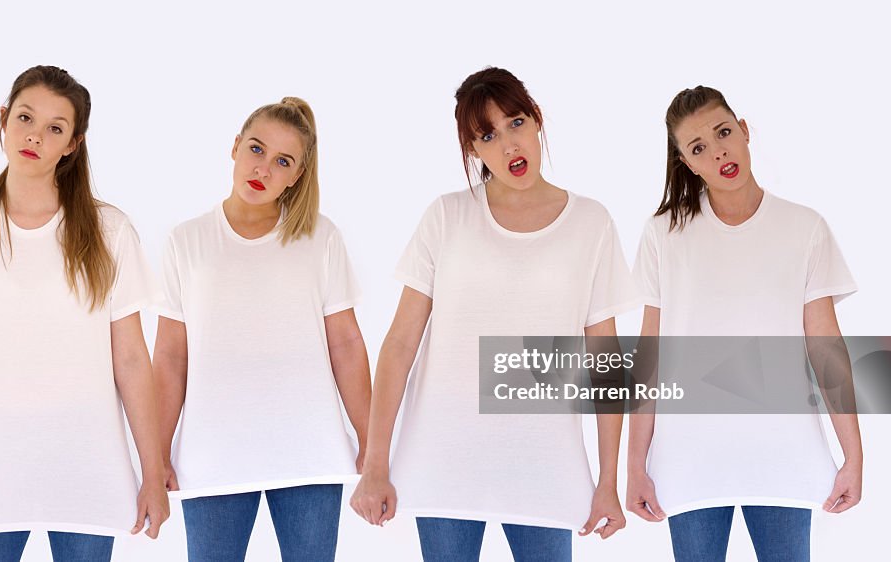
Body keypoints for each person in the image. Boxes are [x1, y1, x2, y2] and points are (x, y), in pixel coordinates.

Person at [350, 67, 637, 562]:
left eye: (516, 122)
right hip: (444, 463)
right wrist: (376, 464)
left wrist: (608, 480)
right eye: (488, 135)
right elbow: (399, 345)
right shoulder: (447, 216)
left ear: (537, 120)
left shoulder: (591, 223)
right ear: (473, 151)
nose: (509, 145)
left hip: (546, 469)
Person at [0, 65, 169, 562]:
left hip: (87, 472)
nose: (34, 136)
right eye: (25, 117)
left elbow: (131, 359)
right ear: (3, 119)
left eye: (55, 128)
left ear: (72, 144)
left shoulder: (110, 232)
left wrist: (153, 471)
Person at [626, 85, 863, 562]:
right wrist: (634, 465)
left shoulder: (804, 228)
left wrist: (853, 456)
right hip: (689, 460)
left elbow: (827, 351)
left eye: (723, 133)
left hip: (784, 457)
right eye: (699, 149)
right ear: (688, 164)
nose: (718, 152)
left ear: (745, 131)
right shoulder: (664, 234)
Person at [152, 97, 371, 562]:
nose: (263, 168)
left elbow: (347, 345)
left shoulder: (320, 237)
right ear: (234, 147)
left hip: (309, 457)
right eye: (256, 149)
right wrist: (156, 453)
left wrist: (371, 438)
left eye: (282, 161)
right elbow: (171, 357)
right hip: (212, 460)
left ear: (297, 174)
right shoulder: (187, 241)